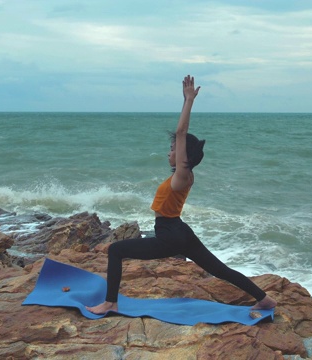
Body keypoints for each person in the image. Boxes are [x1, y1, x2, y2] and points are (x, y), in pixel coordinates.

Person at [85, 75, 277, 315]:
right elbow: (179, 138)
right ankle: (264, 299)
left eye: (173, 148)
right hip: (180, 231)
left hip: (170, 235)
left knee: (116, 250)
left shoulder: (183, 176)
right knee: (219, 269)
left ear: (184, 155)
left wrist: (188, 101)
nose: (169, 152)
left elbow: (181, 131)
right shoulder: (182, 177)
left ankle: (110, 303)